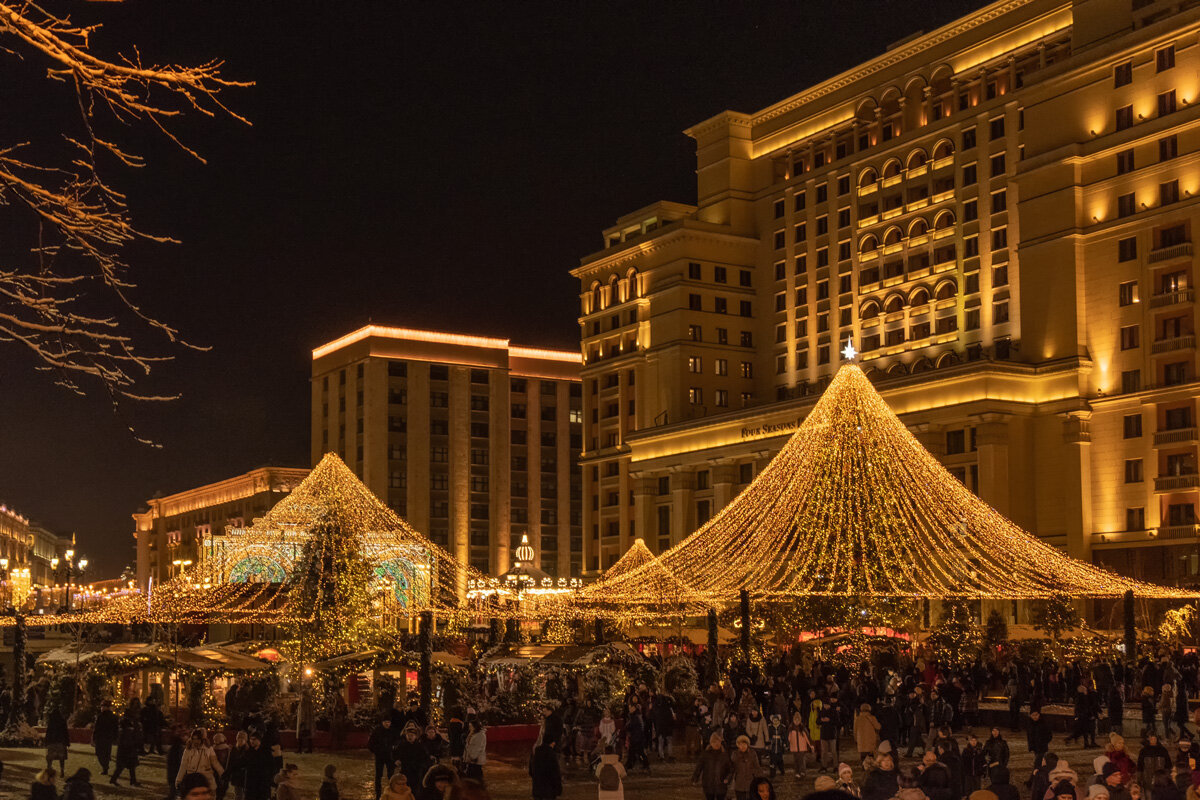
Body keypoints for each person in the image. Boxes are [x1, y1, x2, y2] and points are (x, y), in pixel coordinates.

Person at [396, 722, 432, 796]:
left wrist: (422, 766)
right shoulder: (402, 745)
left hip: (417, 773)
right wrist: (397, 760)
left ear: (415, 736)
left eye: (412, 735)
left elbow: (426, 758)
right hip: (405, 771)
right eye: (408, 735)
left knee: (416, 791)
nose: (410, 737)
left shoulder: (420, 746)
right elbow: (395, 754)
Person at [693, 733, 732, 800]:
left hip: (721, 785)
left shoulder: (725, 755)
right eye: (714, 742)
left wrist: (727, 778)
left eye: (718, 742)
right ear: (711, 743)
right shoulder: (705, 754)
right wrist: (695, 778)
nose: (716, 744)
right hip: (708, 785)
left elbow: (730, 769)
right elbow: (699, 767)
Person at [369, 717, 397, 799]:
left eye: (388, 722)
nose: (387, 724)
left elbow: (397, 741)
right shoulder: (377, 731)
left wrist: (393, 750)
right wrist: (376, 751)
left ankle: (391, 792)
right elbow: (371, 743)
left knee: (391, 775)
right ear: (382, 722)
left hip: (390, 756)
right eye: (385, 722)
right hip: (380, 756)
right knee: (378, 775)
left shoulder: (393, 731)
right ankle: (378, 793)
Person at [111, 717, 140, 786]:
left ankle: (132, 780)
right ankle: (114, 779)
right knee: (127, 767)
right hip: (127, 752)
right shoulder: (127, 732)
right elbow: (128, 742)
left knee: (126, 767)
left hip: (123, 751)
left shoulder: (121, 731)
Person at [731, 735, 762, 800]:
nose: (742, 746)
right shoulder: (735, 754)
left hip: (750, 783)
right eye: (740, 744)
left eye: (744, 744)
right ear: (738, 745)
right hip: (739, 784)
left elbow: (757, 767)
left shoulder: (752, 753)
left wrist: (759, 779)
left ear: (747, 744)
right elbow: (731, 768)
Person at [244, 734, 274, 800]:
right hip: (251, 786)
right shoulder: (249, 752)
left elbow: (271, 767)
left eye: (254, 739)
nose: (252, 741)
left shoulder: (266, 752)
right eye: (251, 739)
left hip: (262, 785)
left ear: (259, 740)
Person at [92, 700, 118, 776]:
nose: (102, 708)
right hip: (104, 738)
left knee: (103, 754)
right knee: (103, 753)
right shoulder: (101, 716)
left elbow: (115, 728)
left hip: (104, 737)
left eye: (103, 706)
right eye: (102, 706)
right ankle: (105, 767)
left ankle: (105, 768)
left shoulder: (108, 717)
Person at [45, 706, 70, 774]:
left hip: (52, 742)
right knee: (61, 758)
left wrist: (46, 742)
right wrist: (67, 742)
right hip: (60, 742)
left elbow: (48, 732)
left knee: (50, 757)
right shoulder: (62, 721)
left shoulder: (51, 721)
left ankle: (49, 767)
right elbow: (65, 732)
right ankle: (62, 769)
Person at [788, 711, 813, 778]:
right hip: (794, 748)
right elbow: (789, 738)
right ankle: (797, 772)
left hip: (802, 748)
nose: (796, 721)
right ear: (793, 720)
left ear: (800, 720)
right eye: (795, 720)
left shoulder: (802, 728)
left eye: (798, 720)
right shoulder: (791, 728)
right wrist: (788, 744)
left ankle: (802, 771)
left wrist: (811, 745)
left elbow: (807, 737)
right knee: (796, 761)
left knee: (802, 760)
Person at [226, 732, 250, 800]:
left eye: (242, 739)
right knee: (238, 794)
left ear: (245, 740)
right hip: (236, 775)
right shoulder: (234, 749)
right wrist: (228, 773)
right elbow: (230, 762)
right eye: (239, 738)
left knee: (245, 793)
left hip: (245, 775)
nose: (240, 740)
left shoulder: (248, 750)